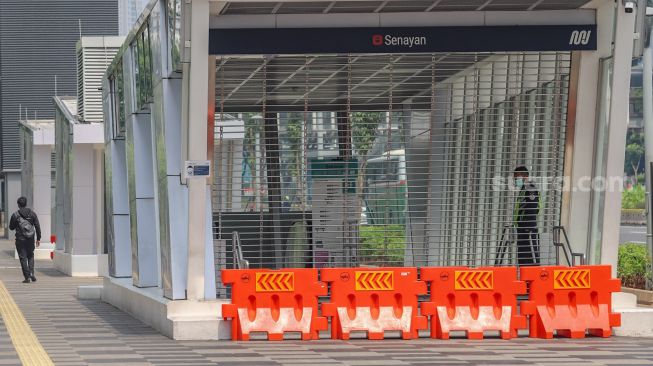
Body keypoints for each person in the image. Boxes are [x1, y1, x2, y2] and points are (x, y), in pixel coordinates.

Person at [9, 196, 41, 283]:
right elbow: (37, 226)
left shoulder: (15, 215)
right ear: (26, 204)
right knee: (30, 255)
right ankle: (31, 273)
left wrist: (17, 224)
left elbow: (11, 227)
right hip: (30, 239)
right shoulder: (32, 214)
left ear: (18, 205)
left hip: (20, 239)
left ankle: (27, 277)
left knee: (23, 258)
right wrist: (38, 239)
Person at [513, 166, 540, 266]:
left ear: (524, 176)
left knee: (531, 258)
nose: (515, 179)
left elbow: (532, 207)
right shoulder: (524, 188)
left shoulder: (530, 187)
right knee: (523, 258)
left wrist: (527, 227)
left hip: (528, 229)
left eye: (516, 177)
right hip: (522, 229)